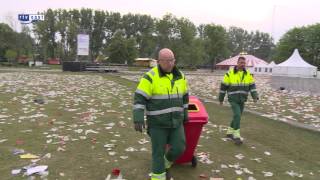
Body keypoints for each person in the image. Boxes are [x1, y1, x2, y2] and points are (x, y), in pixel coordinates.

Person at [133, 48, 189, 180]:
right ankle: (158, 177)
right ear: (159, 62)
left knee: (180, 147)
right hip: (157, 123)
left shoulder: (181, 76)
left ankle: (167, 162)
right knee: (158, 153)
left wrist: (185, 114)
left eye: (172, 60)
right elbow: (140, 98)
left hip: (176, 122)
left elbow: (185, 97)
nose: (170, 64)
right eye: (166, 61)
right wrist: (138, 117)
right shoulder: (150, 77)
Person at [219, 56, 258, 145]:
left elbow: (252, 86)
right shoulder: (229, 74)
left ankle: (229, 132)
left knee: (237, 116)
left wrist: (255, 97)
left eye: (244, 63)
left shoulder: (248, 74)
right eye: (241, 62)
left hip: (242, 99)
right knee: (237, 115)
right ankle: (236, 135)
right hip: (233, 99)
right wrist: (221, 99)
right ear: (237, 63)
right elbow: (223, 88)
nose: (242, 64)